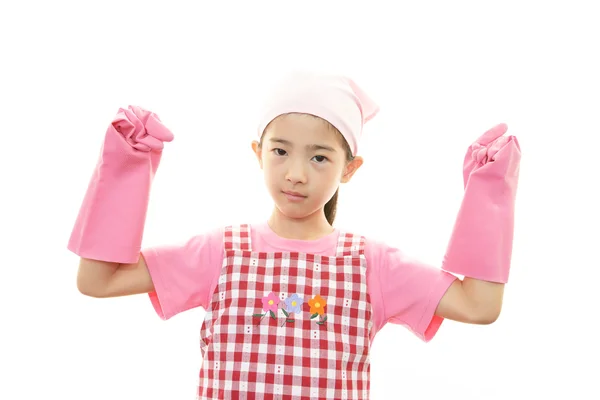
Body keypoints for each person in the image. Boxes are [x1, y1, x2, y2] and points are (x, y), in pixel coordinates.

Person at [69, 70, 521, 399]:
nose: (297, 174)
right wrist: (127, 168)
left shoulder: (371, 264)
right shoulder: (221, 253)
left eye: (320, 157)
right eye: (280, 151)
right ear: (258, 153)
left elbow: (479, 305)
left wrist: (488, 195)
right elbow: (98, 280)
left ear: (350, 168)